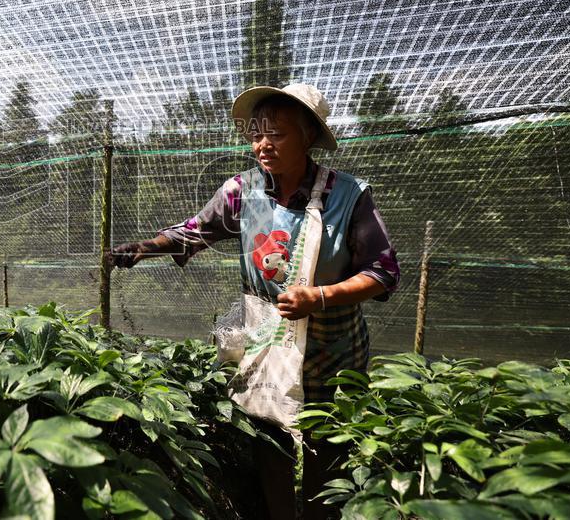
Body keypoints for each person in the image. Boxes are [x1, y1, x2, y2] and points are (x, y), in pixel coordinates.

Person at [108, 83, 399, 519]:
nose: (263, 144)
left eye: (277, 134)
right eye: (257, 133)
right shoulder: (245, 193)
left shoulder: (347, 196)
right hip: (267, 343)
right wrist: (144, 247)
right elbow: (193, 231)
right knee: (270, 440)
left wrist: (319, 296)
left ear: (308, 137)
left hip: (331, 352)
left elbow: (383, 271)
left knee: (326, 453)